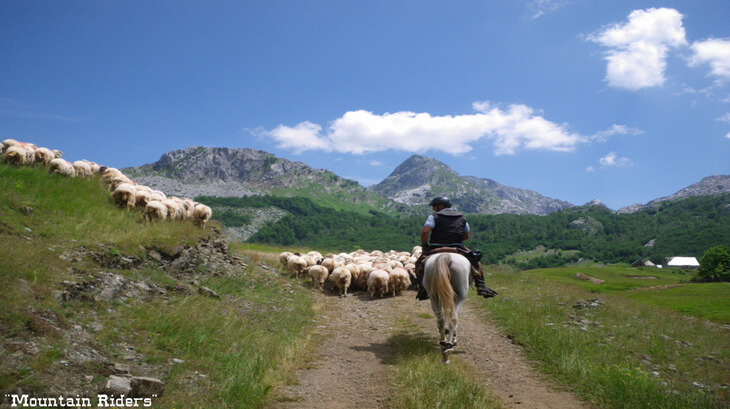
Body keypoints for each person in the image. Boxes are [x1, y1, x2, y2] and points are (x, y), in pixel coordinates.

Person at [415, 196, 497, 300]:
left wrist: (424, 245)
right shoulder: (462, 217)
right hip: (457, 247)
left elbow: (425, 231)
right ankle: (481, 286)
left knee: (419, 264)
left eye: (434, 206)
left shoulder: (434, 217)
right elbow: (467, 235)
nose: (433, 209)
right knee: (476, 262)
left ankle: (423, 288)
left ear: (440, 206)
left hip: (436, 247)